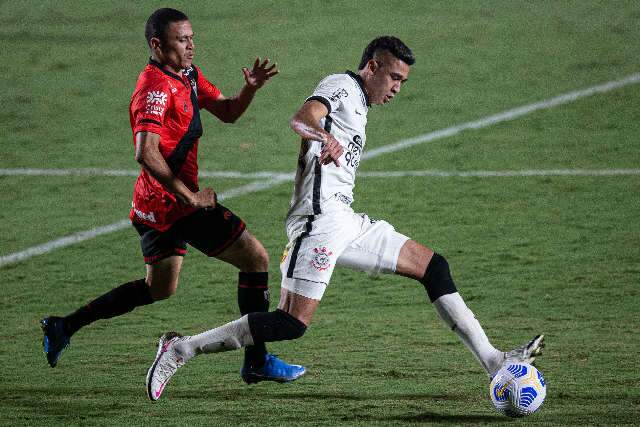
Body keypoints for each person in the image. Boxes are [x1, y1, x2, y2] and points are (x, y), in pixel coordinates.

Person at [145, 36, 544, 401]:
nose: (396, 88)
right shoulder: (341, 86)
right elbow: (301, 119)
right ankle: (181, 348)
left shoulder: (360, 103)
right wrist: (323, 136)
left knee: (434, 267)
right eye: (393, 77)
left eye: (403, 81)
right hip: (318, 222)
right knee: (291, 323)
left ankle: (494, 360)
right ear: (372, 66)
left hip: (345, 220)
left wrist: (330, 139)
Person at [40, 7, 305, 387]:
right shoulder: (153, 90)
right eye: (183, 40)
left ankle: (64, 325)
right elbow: (145, 152)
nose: (191, 45)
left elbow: (228, 112)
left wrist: (250, 88)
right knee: (256, 259)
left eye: (192, 38)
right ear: (157, 45)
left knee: (159, 289)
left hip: (151, 206)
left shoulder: (188, 77)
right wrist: (191, 198)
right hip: (175, 205)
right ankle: (257, 360)